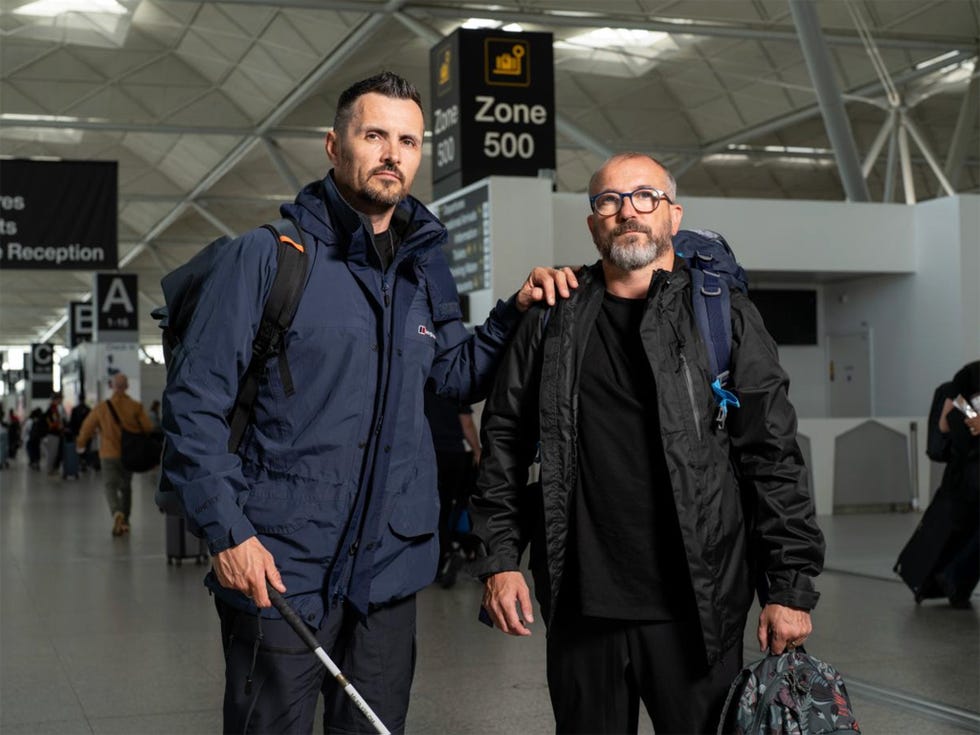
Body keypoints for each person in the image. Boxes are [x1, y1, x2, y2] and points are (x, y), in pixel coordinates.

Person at [161, 71, 577, 735]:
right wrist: (228, 532)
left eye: (408, 140)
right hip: (280, 560)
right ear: (334, 145)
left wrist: (514, 312)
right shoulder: (267, 260)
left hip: (390, 563)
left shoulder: (421, 268)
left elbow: (450, 375)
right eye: (374, 134)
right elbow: (192, 407)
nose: (393, 153)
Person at [469, 152, 825, 735]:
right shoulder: (551, 318)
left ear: (673, 215)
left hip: (697, 609)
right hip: (582, 608)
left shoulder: (723, 316)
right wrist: (500, 559)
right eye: (608, 200)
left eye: (644, 197)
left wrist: (789, 586)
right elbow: (504, 441)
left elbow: (772, 455)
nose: (626, 212)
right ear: (592, 223)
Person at [76, 374, 154, 536]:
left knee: (110, 486)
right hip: (129, 454)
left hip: (108, 454)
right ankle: (125, 520)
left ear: (112, 386)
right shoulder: (135, 406)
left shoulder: (102, 408)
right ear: (126, 387)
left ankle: (116, 512)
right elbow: (148, 427)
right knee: (126, 487)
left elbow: (87, 427)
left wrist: (81, 445)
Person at [424, 388, 482, 588]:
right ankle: (451, 552)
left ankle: (439, 559)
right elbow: (466, 424)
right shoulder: (457, 388)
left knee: (432, 511)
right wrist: (477, 451)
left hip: (429, 453)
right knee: (449, 507)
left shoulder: (425, 388)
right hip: (454, 455)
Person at [934, 360, 979, 607]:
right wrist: (974, 417)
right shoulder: (969, 383)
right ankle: (954, 577)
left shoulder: (966, 383)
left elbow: (945, 421)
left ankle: (955, 580)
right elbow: (950, 421)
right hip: (970, 474)